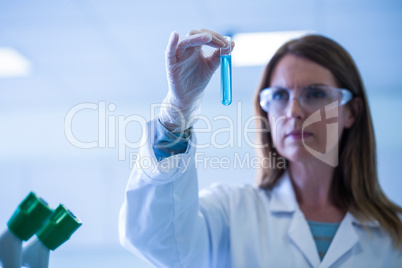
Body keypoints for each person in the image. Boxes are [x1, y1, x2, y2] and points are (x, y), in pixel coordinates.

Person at [119, 29, 402, 267]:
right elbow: (157, 239)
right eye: (279, 95)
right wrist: (178, 109)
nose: (293, 110)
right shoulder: (232, 211)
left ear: (351, 111)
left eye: (315, 93)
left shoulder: (394, 233)